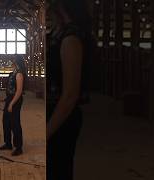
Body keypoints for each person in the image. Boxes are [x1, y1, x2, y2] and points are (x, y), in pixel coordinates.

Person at [47, 0, 92, 179]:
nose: (47, 11)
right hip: (55, 114)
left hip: (62, 119)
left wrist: (47, 131)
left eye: (50, 6)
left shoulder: (70, 39)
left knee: (58, 171)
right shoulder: (59, 33)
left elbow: (70, 95)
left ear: (60, 8)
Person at [0, 55, 27, 156]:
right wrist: (6, 100)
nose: (11, 62)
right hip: (10, 99)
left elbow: (19, 91)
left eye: (12, 61)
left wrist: (11, 103)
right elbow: (11, 89)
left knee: (15, 123)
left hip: (16, 100)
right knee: (6, 121)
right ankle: (8, 143)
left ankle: (18, 147)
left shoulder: (19, 74)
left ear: (16, 62)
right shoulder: (13, 73)